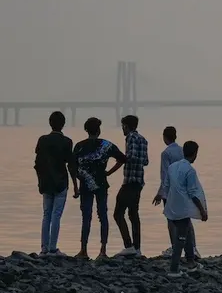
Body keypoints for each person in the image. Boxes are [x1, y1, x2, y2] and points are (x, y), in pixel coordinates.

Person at [73, 117, 126, 260]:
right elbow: (123, 159)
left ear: (86, 130)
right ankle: (103, 250)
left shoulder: (79, 146)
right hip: (101, 184)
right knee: (102, 216)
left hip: (85, 185)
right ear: (99, 130)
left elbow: (72, 167)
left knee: (86, 217)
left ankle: (83, 249)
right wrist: (109, 172)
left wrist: (75, 186)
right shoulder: (106, 145)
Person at [34, 111, 77, 256]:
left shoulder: (42, 140)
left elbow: (38, 161)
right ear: (63, 125)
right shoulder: (67, 142)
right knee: (56, 214)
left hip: (45, 181)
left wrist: (40, 179)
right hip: (60, 181)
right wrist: (76, 186)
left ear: (50, 123)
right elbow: (71, 165)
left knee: (46, 214)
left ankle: (44, 249)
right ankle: (53, 248)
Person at [163, 140, 207, 278]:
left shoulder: (172, 167)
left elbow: (167, 185)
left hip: (171, 206)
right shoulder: (190, 170)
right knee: (180, 238)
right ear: (195, 154)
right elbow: (193, 193)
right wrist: (202, 211)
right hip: (182, 208)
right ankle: (174, 269)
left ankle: (191, 262)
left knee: (186, 231)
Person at [153, 127, 199, 259]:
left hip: (170, 192)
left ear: (164, 137)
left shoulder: (165, 153)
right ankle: (193, 247)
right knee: (186, 218)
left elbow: (165, 175)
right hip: (183, 190)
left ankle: (175, 247)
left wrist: (161, 193)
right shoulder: (181, 150)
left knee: (171, 220)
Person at [113, 115, 149, 257]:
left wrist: (121, 158)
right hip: (139, 181)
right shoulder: (143, 139)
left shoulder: (131, 138)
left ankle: (128, 246)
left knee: (118, 213)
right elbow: (145, 161)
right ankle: (137, 248)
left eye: (123, 126)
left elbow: (131, 156)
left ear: (126, 126)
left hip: (130, 181)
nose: (122, 129)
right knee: (133, 214)